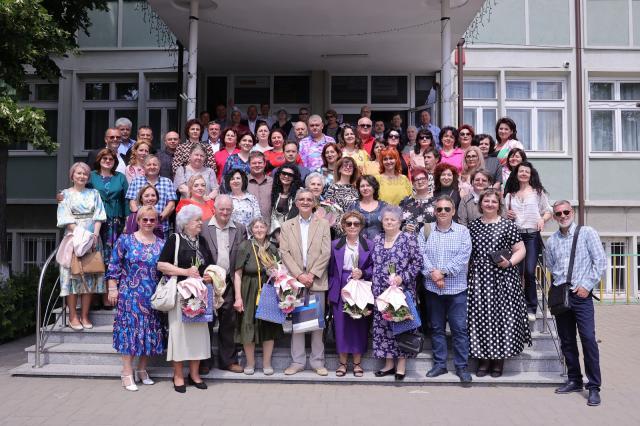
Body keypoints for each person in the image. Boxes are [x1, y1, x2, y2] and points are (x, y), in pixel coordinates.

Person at [545, 201, 606, 407]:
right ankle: (574, 379)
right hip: (562, 295)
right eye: (558, 213)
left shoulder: (587, 232)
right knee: (567, 340)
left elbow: (600, 262)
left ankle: (594, 386)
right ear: (553, 217)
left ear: (573, 212)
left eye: (566, 212)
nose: (563, 216)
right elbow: (551, 266)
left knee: (588, 339)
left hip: (581, 295)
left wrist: (587, 285)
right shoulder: (552, 240)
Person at [467, 189, 530, 378]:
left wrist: (510, 262)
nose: (490, 204)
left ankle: (498, 362)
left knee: (502, 319)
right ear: (481, 204)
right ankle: (483, 360)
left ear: (499, 205)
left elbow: (521, 249)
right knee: (480, 319)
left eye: (494, 202)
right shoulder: (473, 226)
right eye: (486, 201)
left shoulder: (507, 225)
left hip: (503, 279)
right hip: (479, 279)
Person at [106, 205, 164, 391]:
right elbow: (114, 265)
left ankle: (142, 369)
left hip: (152, 295)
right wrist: (112, 288)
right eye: (144, 219)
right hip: (129, 295)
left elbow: (165, 270)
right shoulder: (125, 241)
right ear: (138, 221)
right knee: (130, 333)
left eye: (152, 220)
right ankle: (126, 372)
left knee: (149, 331)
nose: (148, 222)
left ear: (156, 222)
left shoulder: (161, 244)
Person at [157, 205, 213, 392]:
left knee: (198, 336)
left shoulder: (202, 241)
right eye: (197, 220)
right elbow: (161, 265)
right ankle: (178, 375)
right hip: (180, 293)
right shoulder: (175, 239)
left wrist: (208, 276)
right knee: (179, 336)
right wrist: (185, 272)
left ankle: (195, 375)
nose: (200, 223)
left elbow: (209, 266)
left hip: (199, 295)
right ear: (186, 223)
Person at [418, 196, 472, 384]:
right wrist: (433, 274)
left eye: (446, 209)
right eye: (439, 209)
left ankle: (461, 367)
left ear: (453, 211)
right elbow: (421, 255)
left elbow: (463, 257)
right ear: (434, 211)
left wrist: (442, 274)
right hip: (433, 289)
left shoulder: (463, 232)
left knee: (459, 329)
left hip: (456, 289)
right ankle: (440, 364)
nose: (442, 212)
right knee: (437, 328)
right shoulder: (426, 230)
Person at [279, 189, 332, 376]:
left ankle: (318, 362)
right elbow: (284, 252)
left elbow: (326, 252)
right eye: (301, 199)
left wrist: (312, 274)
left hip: (316, 280)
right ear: (296, 203)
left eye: (309, 199)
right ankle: (297, 361)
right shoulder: (287, 225)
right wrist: (299, 275)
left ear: (314, 203)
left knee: (317, 323)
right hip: (296, 281)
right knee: (298, 323)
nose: (305, 202)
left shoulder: (324, 224)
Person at [371, 206, 422, 381]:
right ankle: (388, 364)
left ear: (400, 221)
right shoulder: (377, 239)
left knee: (401, 327)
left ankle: (401, 365)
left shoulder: (408, 239)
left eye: (393, 219)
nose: (389, 222)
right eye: (386, 219)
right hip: (381, 293)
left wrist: (403, 278)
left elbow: (417, 263)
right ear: (382, 221)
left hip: (401, 291)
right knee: (383, 327)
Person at [200, 195, 248, 374]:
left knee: (228, 322)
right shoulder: (204, 227)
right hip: (208, 282)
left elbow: (242, 257)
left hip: (229, 280)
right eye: (222, 209)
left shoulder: (240, 228)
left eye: (229, 210)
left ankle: (228, 361)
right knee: (206, 322)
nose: (225, 213)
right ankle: (204, 361)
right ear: (215, 209)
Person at [57, 162, 107, 330]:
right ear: (72, 176)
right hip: (74, 238)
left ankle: (85, 316)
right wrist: (82, 234)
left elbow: (99, 215)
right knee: (72, 278)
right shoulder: (65, 195)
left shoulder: (94, 193)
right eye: (78, 173)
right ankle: (72, 316)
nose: (82, 176)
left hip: (92, 239)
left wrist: (94, 236)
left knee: (90, 276)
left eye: (85, 174)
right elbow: (64, 218)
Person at [233, 217, 282, 375]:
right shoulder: (245, 247)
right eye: (256, 227)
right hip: (249, 290)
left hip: (268, 291)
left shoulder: (272, 248)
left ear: (267, 230)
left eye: (262, 227)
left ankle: (267, 363)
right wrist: (238, 297)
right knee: (248, 325)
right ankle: (250, 363)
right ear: (251, 230)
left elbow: (281, 269)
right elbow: (238, 274)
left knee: (268, 326)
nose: (259, 230)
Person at [504, 161, 552, 320]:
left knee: (529, 272)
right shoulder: (510, 195)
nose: (523, 173)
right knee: (516, 272)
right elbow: (504, 215)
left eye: (527, 171)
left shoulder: (538, 192)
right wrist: (507, 215)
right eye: (521, 171)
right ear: (516, 174)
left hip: (532, 235)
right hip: (515, 236)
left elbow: (548, 210)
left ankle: (531, 307)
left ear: (531, 175)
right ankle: (517, 305)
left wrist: (542, 220)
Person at [328, 212, 373, 377]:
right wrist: (331, 292)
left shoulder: (369, 245)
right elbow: (330, 269)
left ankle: (357, 363)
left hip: (360, 287)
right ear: (343, 226)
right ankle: (341, 363)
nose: (352, 226)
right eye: (349, 224)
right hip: (340, 287)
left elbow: (374, 268)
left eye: (356, 224)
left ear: (361, 226)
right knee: (341, 326)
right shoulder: (335, 245)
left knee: (359, 325)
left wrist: (363, 273)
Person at [88, 148, 129, 308]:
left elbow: (126, 200)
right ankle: (94, 296)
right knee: (94, 258)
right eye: (104, 158)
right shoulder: (91, 176)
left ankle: (106, 296)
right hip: (95, 222)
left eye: (110, 159)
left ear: (115, 162)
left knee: (110, 259)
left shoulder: (120, 177)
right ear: (99, 160)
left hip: (115, 223)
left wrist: (127, 222)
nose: (107, 161)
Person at [126, 155, 176, 239]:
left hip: (161, 227)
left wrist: (158, 219)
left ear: (159, 167)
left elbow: (171, 205)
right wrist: (141, 218)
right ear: (144, 167)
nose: (152, 167)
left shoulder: (167, 182)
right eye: (149, 165)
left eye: (155, 164)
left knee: (161, 251)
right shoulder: (136, 181)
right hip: (140, 228)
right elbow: (132, 203)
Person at [270, 164, 302, 240]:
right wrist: (278, 236)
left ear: (294, 178)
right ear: (279, 175)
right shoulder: (275, 193)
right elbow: (273, 216)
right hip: (277, 237)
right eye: (284, 173)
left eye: (290, 175)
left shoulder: (300, 193)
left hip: (295, 236)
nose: (286, 176)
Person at [399, 168, 435, 233]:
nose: (420, 182)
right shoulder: (405, 202)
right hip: (410, 240)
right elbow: (397, 223)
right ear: (412, 183)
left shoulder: (436, 202)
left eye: (422, 179)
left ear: (427, 180)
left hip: (431, 240)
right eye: (416, 180)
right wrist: (404, 227)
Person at [354, 175, 387, 240]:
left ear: (374, 187)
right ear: (359, 189)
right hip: (359, 246)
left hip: (380, 246)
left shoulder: (384, 206)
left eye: (368, 185)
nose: (365, 188)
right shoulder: (353, 206)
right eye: (362, 186)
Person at [247, 151, 273, 225]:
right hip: (249, 227)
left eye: (260, 162)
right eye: (254, 163)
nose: (257, 165)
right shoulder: (243, 182)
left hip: (269, 226)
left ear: (264, 164)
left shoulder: (272, 182)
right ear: (249, 165)